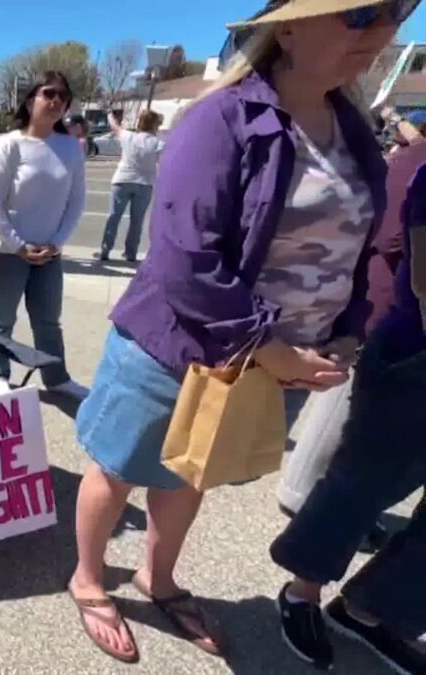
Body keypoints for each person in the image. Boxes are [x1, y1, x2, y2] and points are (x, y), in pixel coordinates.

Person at [68, 1, 396, 663]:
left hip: (282, 361)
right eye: (361, 14)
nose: (385, 29)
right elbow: (185, 259)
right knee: (119, 468)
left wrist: (346, 332)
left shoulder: (354, 130)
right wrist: (268, 347)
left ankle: (157, 578)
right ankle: (88, 576)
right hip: (180, 348)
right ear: (291, 27)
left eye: (397, 11)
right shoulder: (221, 118)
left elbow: (360, 249)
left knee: (191, 473)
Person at [270, 158, 426, 674]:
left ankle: (376, 608)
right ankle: (302, 592)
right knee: (361, 485)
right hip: (413, 356)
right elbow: (425, 283)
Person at [277, 106, 426, 553]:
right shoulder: (418, 162)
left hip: (388, 298)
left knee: (354, 417)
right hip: (392, 301)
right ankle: (305, 497)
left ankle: (322, 501)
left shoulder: (411, 157)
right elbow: (386, 235)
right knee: (347, 414)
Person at [0, 71, 89, 400]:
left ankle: (57, 379)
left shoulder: (70, 147)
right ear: (30, 100)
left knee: (48, 322)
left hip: (50, 253)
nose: (56, 101)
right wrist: (19, 245)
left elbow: (77, 200)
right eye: (48, 94)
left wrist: (56, 244)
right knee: (2, 319)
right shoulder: (8, 144)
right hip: (12, 251)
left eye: (63, 97)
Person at [97, 110, 164, 263]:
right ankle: (130, 252)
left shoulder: (128, 136)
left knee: (114, 216)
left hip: (122, 179)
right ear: (155, 124)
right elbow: (163, 163)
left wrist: (109, 115)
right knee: (137, 220)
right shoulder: (158, 143)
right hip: (145, 183)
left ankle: (106, 250)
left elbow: (114, 126)